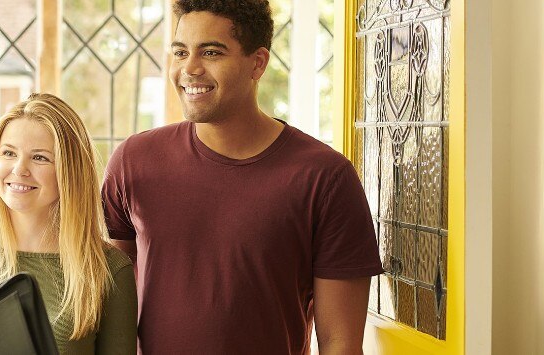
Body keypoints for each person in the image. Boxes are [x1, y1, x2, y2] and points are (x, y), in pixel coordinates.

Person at [101, 1, 384, 354]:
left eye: (211, 52)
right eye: (180, 52)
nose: (189, 68)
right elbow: (105, 310)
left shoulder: (325, 179)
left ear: (258, 63)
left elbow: (340, 344)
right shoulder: (133, 162)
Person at [0, 93, 137, 354]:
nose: (19, 169)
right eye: (8, 153)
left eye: (39, 157)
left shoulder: (110, 270)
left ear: (69, 171)